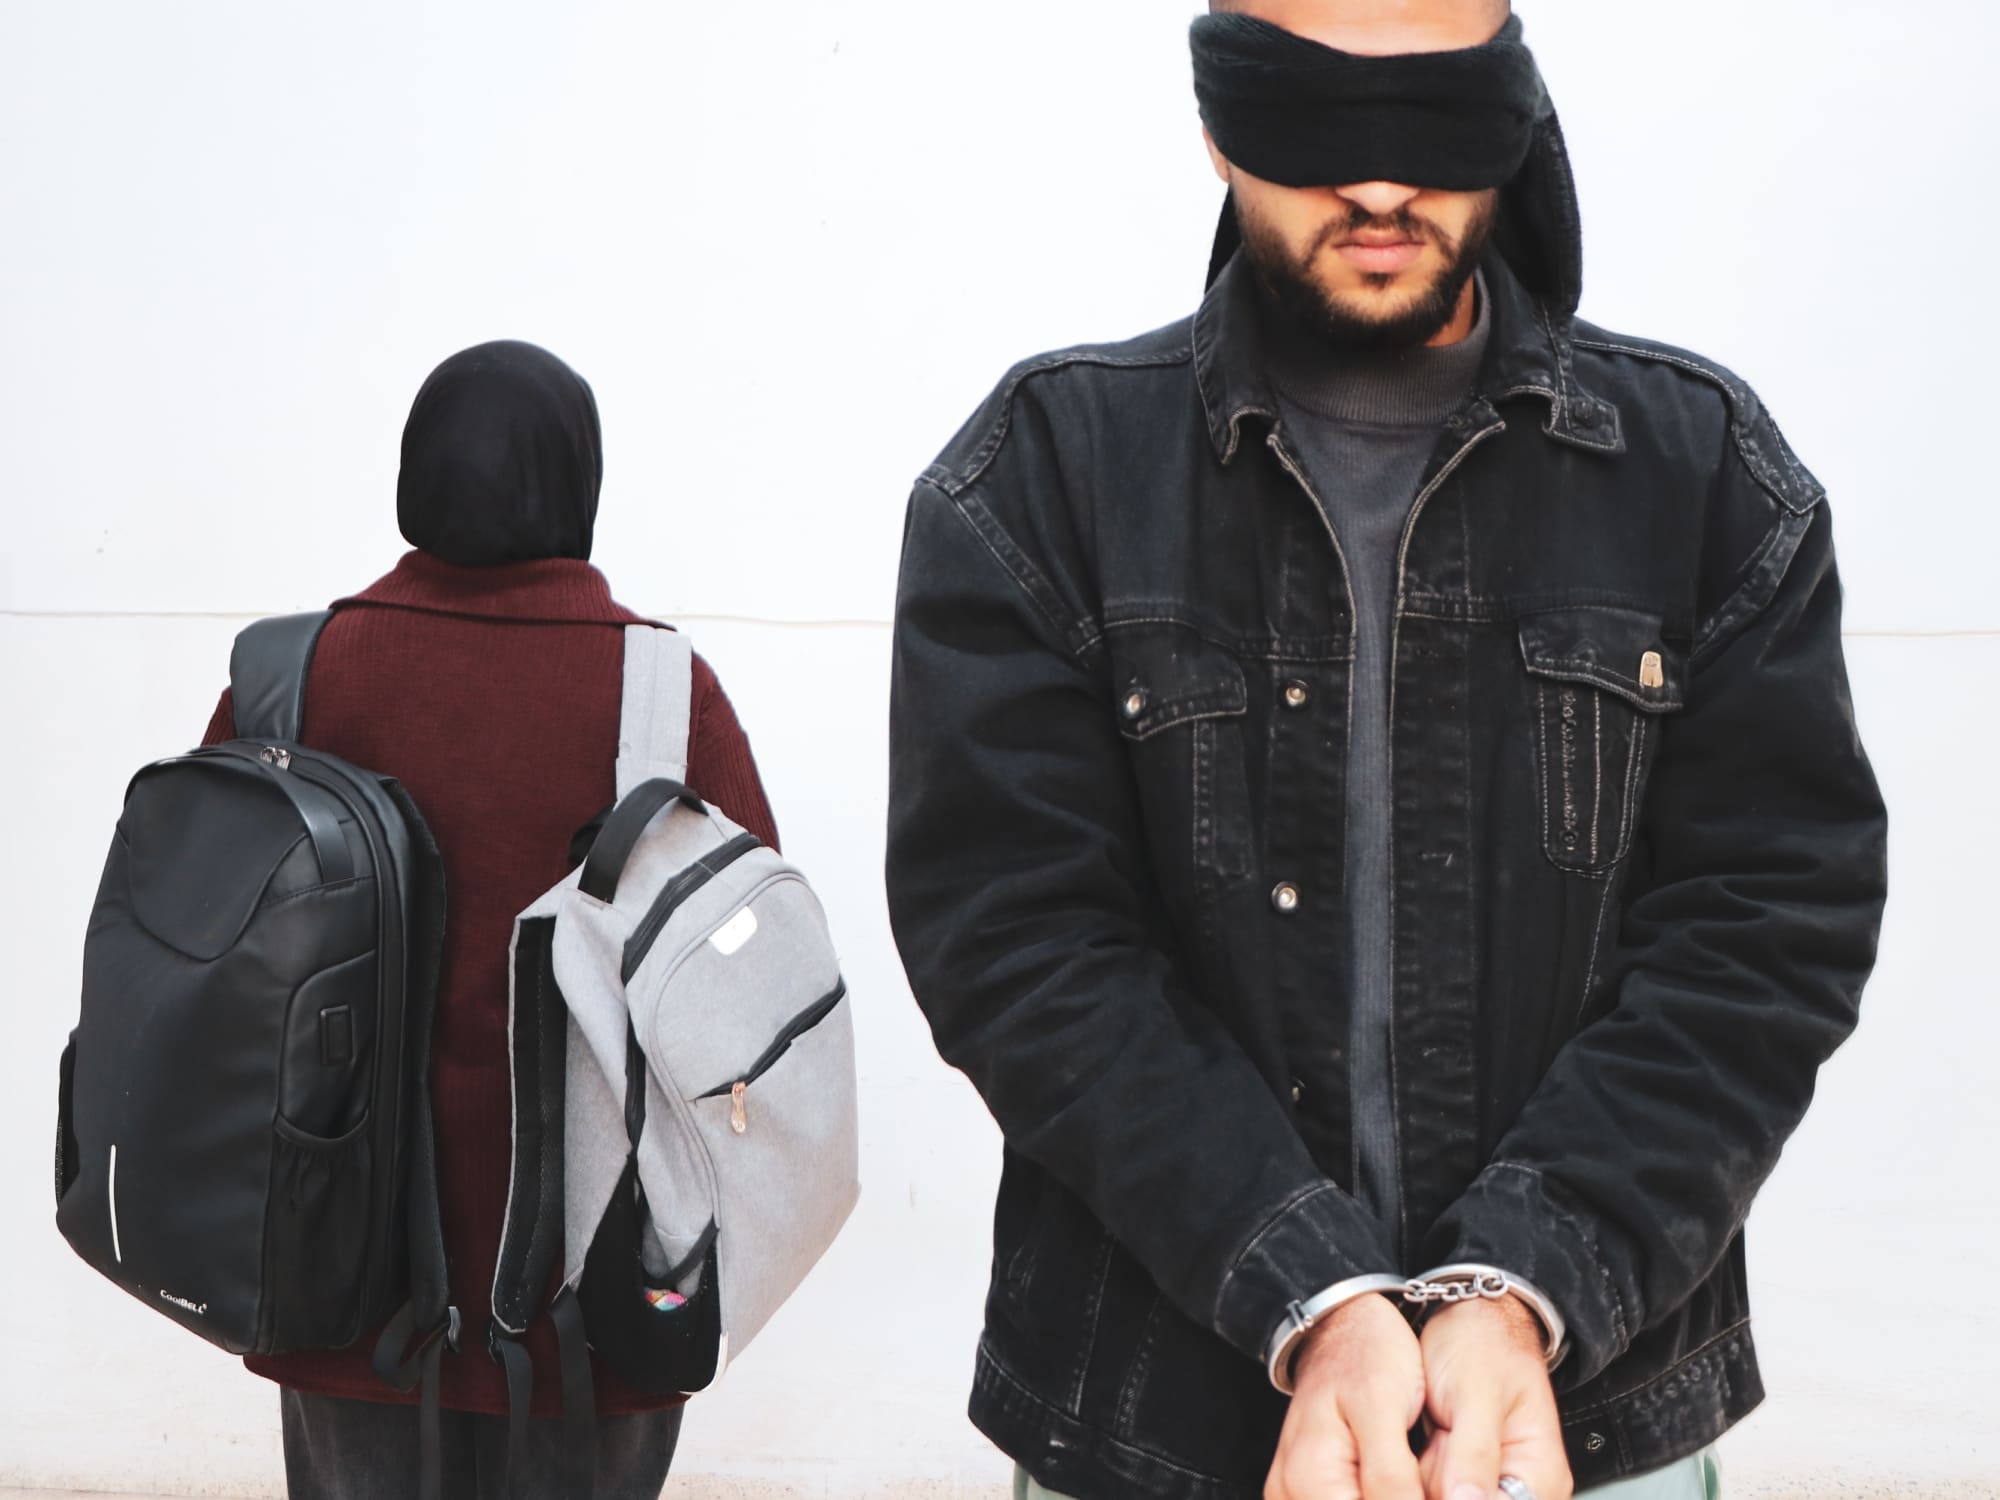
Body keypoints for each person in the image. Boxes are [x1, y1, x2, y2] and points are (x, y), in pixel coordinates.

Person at [884, 3, 1887, 1500]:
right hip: (1158, 1419)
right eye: (1312, 124)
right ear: (1219, 127)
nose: (1375, 188)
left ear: (1513, 114)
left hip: (1573, 1422)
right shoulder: (1038, 484)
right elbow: (1021, 945)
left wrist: (1524, 1286)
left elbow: (1765, 934)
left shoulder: (1710, 481)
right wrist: (1311, 1296)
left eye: (1427, 123)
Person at [201, 340, 779, 1498]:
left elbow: (216, 942)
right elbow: (752, 965)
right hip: (592, 1302)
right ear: (582, 482)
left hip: (338, 1278)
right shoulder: (660, 691)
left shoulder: (299, 676)